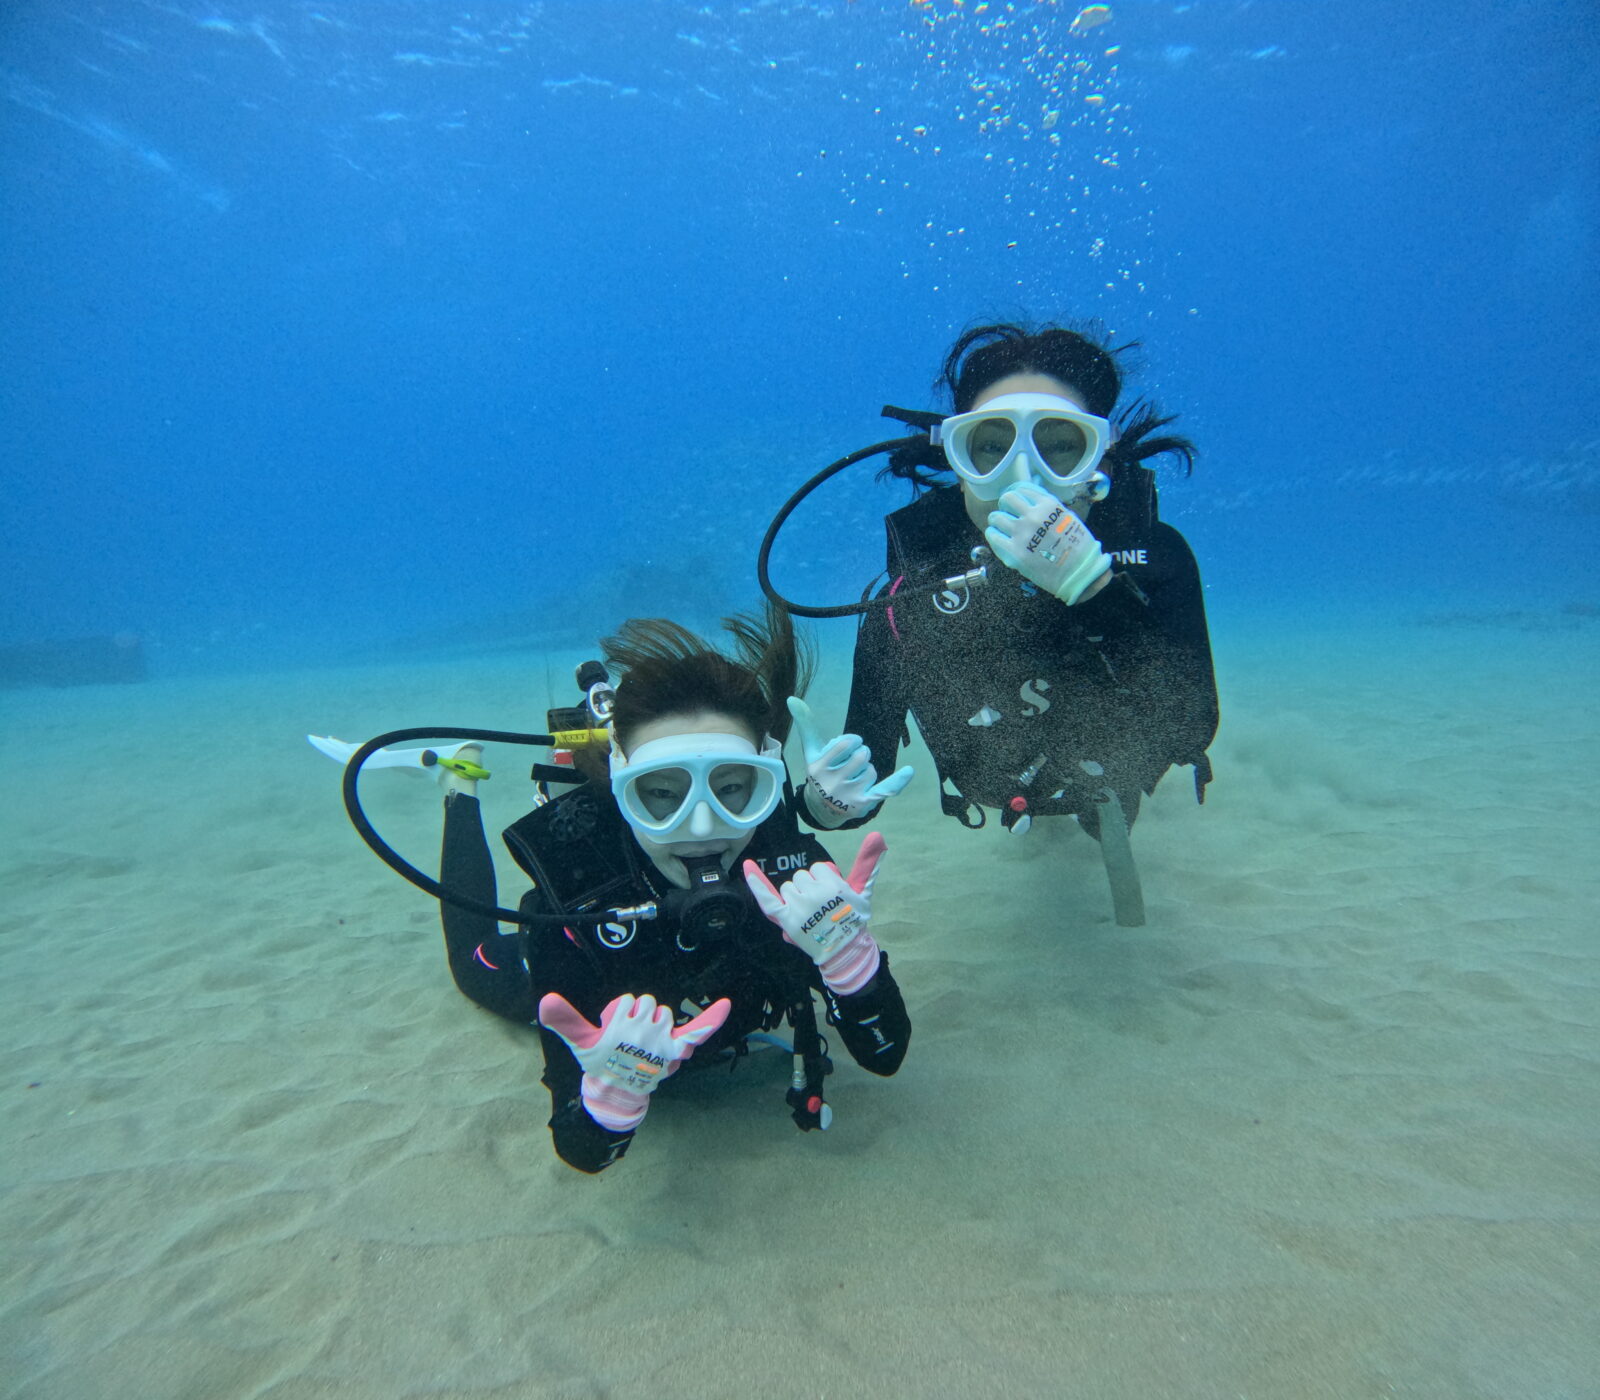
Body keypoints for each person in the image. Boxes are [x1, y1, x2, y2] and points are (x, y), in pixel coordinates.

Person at [434, 606, 911, 1174]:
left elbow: (885, 1057)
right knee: (476, 965)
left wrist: (854, 967)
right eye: (661, 794)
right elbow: (581, 1151)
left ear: (766, 780)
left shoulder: (790, 872)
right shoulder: (581, 902)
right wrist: (609, 1102)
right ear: (621, 786)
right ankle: (458, 788)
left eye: (732, 789)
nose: (702, 828)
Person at [797, 322, 1218, 913]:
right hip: (991, 786)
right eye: (992, 447)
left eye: (1061, 445)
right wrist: (823, 805)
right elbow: (866, 778)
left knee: (1110, 814)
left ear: (1100, 458)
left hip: (1110, 777)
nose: (1025, 477)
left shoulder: (1154, 558)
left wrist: (1094, 590)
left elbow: (1188, 730)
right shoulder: (910, 597)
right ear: (957, 458)